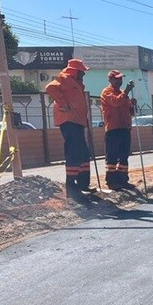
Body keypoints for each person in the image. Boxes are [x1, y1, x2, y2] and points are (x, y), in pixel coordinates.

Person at [45, 58, 94, 200]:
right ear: (75, 71)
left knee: (84, 153)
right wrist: (63, 104)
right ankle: (72, 188)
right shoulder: (64, 78)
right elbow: (50, 88)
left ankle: (83, 184)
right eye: (82, 72)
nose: (84, 74)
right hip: (69, 121)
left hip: (78, 121)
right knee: (73, 153)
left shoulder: (76, 83)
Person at [100, 70, 137, 191]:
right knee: (112, 156)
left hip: (125, 128)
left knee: (123, 156)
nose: (119, 81)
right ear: (110, 80)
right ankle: (111, 181)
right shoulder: (107, 92)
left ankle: (123, 180)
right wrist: (126, 91)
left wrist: (132, 106)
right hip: (113, 128)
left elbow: (129, 111)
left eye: (120, 79)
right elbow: (116, 102)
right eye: (117, 79)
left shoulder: (123, 94)